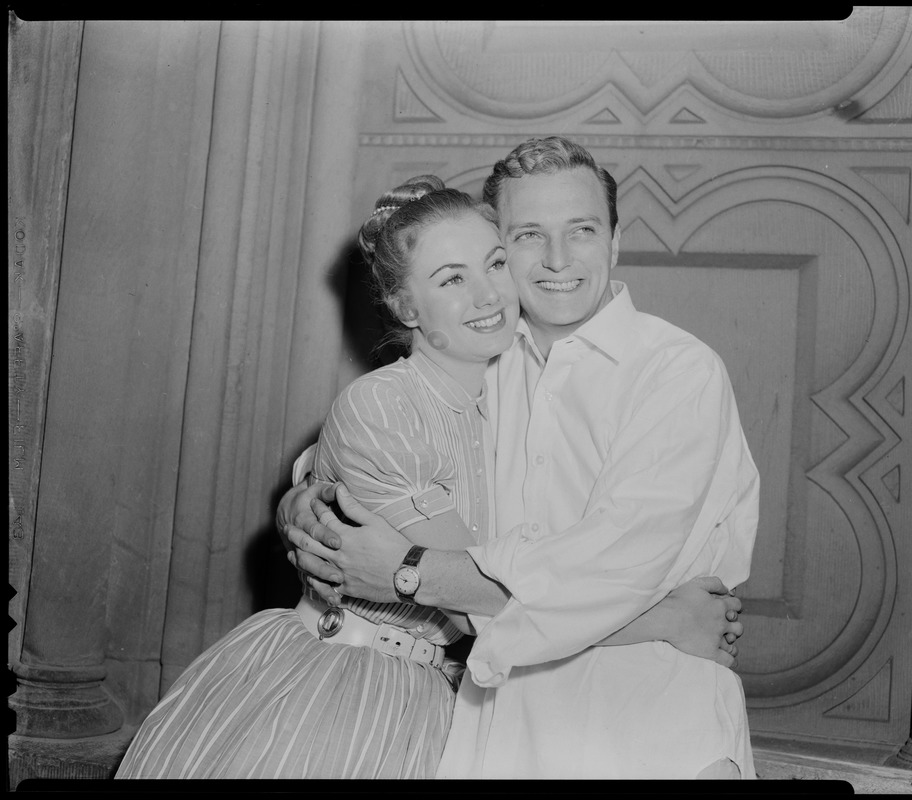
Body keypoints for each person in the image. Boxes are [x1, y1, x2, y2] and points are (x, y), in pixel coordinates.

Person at [285, 136, 760, 779]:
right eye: (529, 236)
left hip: (649, 708)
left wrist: (407, 572)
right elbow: (384, 442)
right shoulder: (490, 358)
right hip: (493, 712)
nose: (558, 259)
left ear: (615, 241)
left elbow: (603, 574)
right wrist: (307, 503)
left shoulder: (677, 371)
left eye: (583, 230)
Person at [116, 176, 520, 778]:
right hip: (342, 688)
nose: (488, 294)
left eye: (496, 264)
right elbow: (473, 608)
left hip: (436, 696)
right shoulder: (385, 405)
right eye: (452, 278)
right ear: (406, 307)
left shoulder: (512, 396)